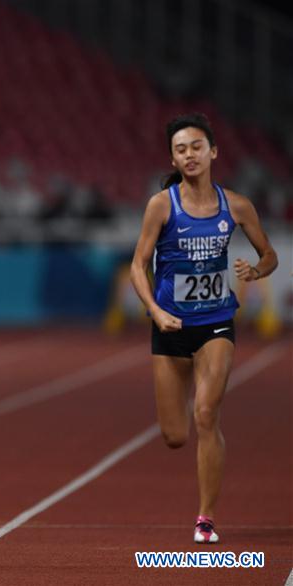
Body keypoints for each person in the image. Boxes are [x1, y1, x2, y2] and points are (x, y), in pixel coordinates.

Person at [130, 113, 277, 543]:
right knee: (175, 435)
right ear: (172, 159)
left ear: (213, 152)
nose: (189, 155)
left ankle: (206, 518)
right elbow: (138, 265)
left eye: (196, 146)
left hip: (216, 323)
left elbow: (270, 255)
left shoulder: (237, 205)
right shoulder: (162, 205)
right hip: (171, 326)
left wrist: (257, 270)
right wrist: (156, 312)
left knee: (207, 414)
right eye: (180, 149)